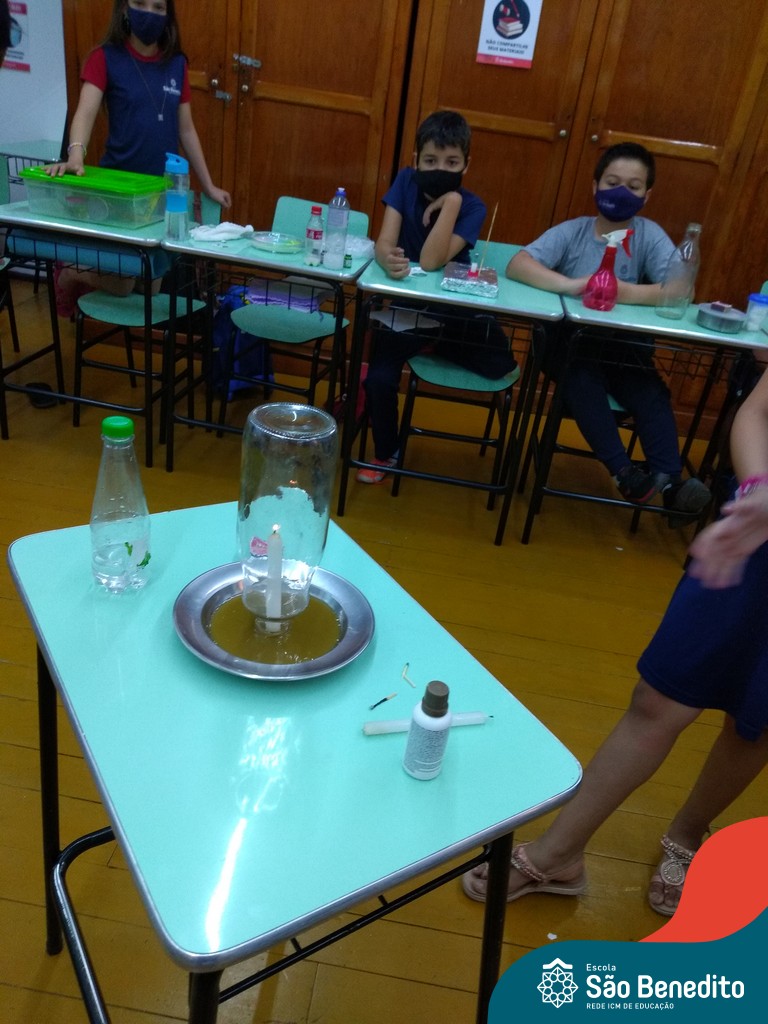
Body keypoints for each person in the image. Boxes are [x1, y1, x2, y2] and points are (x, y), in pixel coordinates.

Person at [463, 364, 768, 917]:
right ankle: (560, 853)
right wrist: (758, 492)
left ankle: (687, 834)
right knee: (659, 696)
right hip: (755, 533)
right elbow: (758, 411)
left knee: (755, 724)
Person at [506, 141, 710, 523]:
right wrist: (573, 285)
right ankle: (624, 473)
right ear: (595, 185)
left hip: (623, 348)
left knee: (651, 391)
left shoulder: (648, 235)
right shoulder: (574, 231)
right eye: (612, 182)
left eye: (633, 186)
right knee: (582, 380)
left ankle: (671, 485)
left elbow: (682, 290)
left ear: (647, 195)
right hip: (569, 345)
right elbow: (518, 264)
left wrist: (622, 291)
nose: (621, 192)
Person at [358, 109, 516, 484]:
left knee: (501, 363)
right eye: (430, 161)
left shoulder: (471, 206)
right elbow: (384, 242)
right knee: (378, 379)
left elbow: (431, 261)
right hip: (408, 308)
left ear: (466, 165)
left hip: (453, 310)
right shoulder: (405, 181)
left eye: (451, 162)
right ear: (416, 160)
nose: (439, 169)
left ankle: (434, 343)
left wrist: (452, 203)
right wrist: (386, 258)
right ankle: (386, 452)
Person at [44, 0, 231, 315]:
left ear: (168, 15)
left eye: (159, 7)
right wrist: (76, 155)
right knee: (122, 284)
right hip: (119, 194)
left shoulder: (176, 64)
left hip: (159, 192)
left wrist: (209, 185)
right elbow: (85, 112)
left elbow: (186, 130)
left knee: (150, 285)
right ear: (125, 9)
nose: (149, 13)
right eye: (141, 4)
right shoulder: (105, 57)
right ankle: (70, 273)